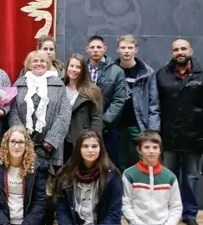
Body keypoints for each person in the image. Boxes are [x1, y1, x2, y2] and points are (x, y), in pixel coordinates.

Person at [156, 39, 203, 225]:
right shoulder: (162, 75)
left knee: (191, 177)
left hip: (194, 135)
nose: (180, 52)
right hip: (169, 135)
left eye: (183, 49)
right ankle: (168, 213)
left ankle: (190, 214)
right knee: (168, 176)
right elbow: (156, 104)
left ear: (190, 51)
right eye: (176, 49)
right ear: (171, 53)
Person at [53, 129, 122, 225]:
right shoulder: (66, 172)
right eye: (85, 146)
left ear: (101, 148)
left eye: (94, 146)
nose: (90, 150)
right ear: (78, 149)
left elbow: (114, 216)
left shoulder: (112, 175)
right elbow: (62, 211)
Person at [122, 131, 187, 225]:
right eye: (146, 147)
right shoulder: (129, 174)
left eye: (155, 147)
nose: (151, 151)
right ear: (139, 150)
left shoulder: (169, 176)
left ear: (160, 150)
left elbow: (176, 206)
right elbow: (126, 205)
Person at [9, 51, 72, 170]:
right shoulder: (19, 84)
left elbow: (65, 113)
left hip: (48, 148)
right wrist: (22, 137)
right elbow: (13, 112)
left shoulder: (58, 84)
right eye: (35, 61)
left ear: (48, 64)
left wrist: (52, 140)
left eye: (42, 61)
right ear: (29, 64)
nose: (39, 63)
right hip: (23, 145)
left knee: (45, 180)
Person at [114, 35, 160, 169]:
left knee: (145, 160)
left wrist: (153, 131)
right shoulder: (112, 70)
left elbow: (154, 103)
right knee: (118, 162)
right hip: (117, 125)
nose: (126, 51)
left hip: (139, 125)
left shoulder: (147, 72)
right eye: (123, 47)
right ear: (118, 49)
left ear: (136, 49)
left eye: (130, 47)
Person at [85, 35, 127, 165]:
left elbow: (119, 99)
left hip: (109, 126)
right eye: (92, 47)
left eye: (99, 47)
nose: (95, 50)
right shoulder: (81, 69)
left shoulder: (117, 71)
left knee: (109, 163)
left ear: (105, 48)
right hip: (85, 123)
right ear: (87, 49)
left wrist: (104, 120)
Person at [62, 53, 104, 163]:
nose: (74, 69)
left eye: (78, 67)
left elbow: (97, 118)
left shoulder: (93, 90)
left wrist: (93, 141)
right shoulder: (60, 86)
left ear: (83, 70)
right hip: (62, 139)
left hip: (82, 138)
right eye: (71, 66)